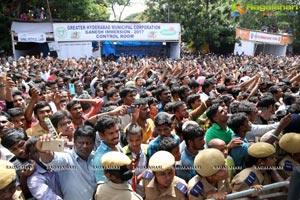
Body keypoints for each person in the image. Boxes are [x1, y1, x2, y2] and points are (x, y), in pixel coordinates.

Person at [36, 125, 97, 200]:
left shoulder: (97, 158)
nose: (84, 146)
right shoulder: (67, 157)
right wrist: (43, 151)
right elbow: (51, 161)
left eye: (88, 143)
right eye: (80, 143)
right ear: (74, 142)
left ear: (94, 143)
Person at [93, 115, 123, 183]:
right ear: (101, 135)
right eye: (111, 133)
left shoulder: (117, 145)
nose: (116, 136)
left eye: (117, 131)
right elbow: (102, 184)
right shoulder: (100, 158)